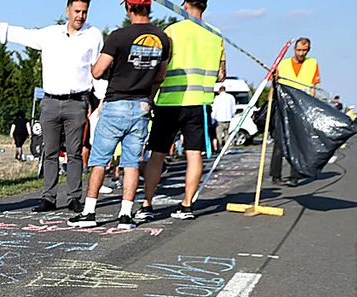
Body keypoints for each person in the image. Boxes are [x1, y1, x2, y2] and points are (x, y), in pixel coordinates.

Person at [0, 2, 104, 213]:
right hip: (51, 101)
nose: (80, 16)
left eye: (84, 12)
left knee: (74, 152)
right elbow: (24, 35)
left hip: (77, 101)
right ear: (68, 11)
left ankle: (74, 197)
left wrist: (100, 100)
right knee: (50, 151)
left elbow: (97, 68)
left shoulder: (93, 35)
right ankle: (49, 197)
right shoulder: (51, 34)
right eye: (77, 11)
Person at [69, 0, 171, 229]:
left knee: (99, 161)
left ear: (128, 8)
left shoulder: (119, 36)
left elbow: (97, 71)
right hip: (142, 105)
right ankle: (126, 214)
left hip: (116, 103)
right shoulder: (163, 38)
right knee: (132, 163)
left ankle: (89, 212)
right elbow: (160, 75)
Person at [136, 0, 225, 221]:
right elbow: (221, 74)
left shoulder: (172, 31)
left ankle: (147, 205)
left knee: (157, 153)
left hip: (170, 101)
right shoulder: (216, 35)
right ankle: (187, 205)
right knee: (194, 154)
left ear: (185, 5)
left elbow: (160, 68)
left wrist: (149, 95)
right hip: (200, 102)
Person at [271, 37, 319, 187]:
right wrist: (270, 103)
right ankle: (275, 175)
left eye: (304, 50)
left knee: (297, 142)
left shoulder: (312, 63)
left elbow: (312, 87)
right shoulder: (283, 64)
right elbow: (274, 84)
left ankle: (294, 176)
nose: (301, 53)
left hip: (301, 107)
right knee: (279, 142)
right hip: (283, 105)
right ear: (294, 49)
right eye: (299, 50)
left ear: (308, 50)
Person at [211, 83, 236, 152]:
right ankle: (227, 148)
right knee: (226, 134)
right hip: (228, 118)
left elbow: (214, 109)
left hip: (219, 118)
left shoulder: (217, 98)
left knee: (218, 135)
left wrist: (213, 119)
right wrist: (231, 115)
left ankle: (219, 148)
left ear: (219, 90)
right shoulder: (231, 97)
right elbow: (233, 108)